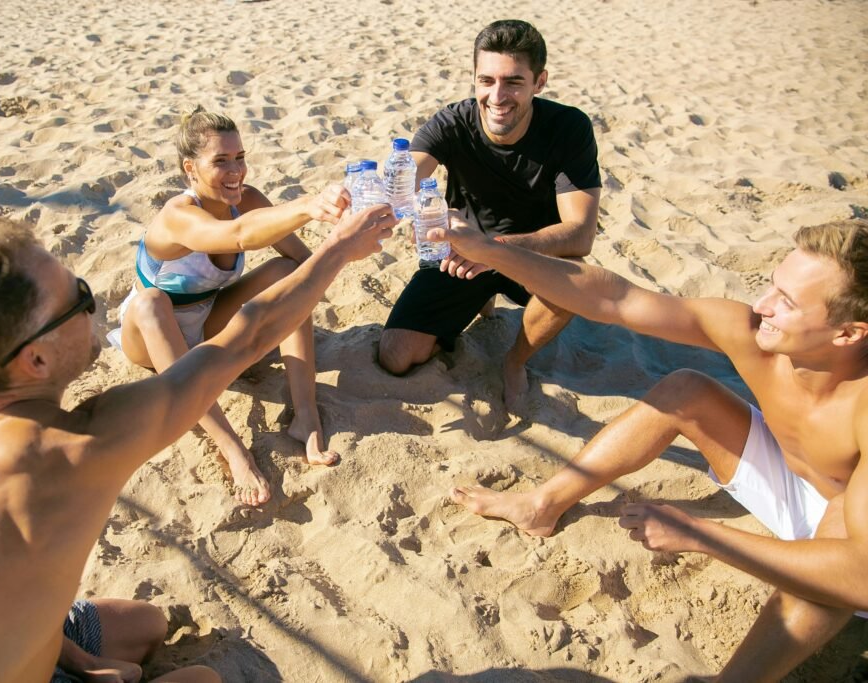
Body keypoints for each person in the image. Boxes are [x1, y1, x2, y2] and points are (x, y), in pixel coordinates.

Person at [0, 208, 395, 683]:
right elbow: (247, 337)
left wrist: (80, 662)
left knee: (145, 627)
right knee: (203, 679)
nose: (97, 304)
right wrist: (340, 248)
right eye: (79, 298)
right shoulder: (70, 450)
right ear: (34, 361)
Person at [440, 217, 868, 680]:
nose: (762, 305)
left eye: (786, 302)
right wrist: (493, 252)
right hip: (803, 479)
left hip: (854, 544)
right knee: (687, 390)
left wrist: (702, 535)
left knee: (830, 549)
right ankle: (540, 506)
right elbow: (615, 298)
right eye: (771, 286)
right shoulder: (756, 336)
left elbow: (861, 576)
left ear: (848, 333)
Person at [109, 110, 346, 506]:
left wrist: (346, 241)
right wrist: (307, 206)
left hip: (207, 324)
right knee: (151, 302)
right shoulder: (177, 216)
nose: (235, 170)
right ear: (191, 168)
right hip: (149, 337)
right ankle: (231, 446)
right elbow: (236, 236)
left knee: (288, 274)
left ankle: (305, 415)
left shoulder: (248, 199)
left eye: (239, 157)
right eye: (220, 161)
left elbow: (305, 266)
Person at [377, 19, 601, 407]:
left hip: (529, 255)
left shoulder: (569, 128)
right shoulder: (452, 122)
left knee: (575, 277)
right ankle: (479, 299)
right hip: (461, 257)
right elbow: (406, 178)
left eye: (513, 82)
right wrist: (383, 190)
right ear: (475, 80)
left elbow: (580, 233)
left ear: (540, 81)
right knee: (396, 356)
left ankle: (515, 362)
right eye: (486, 81)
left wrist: (492, 248)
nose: (497, 96)